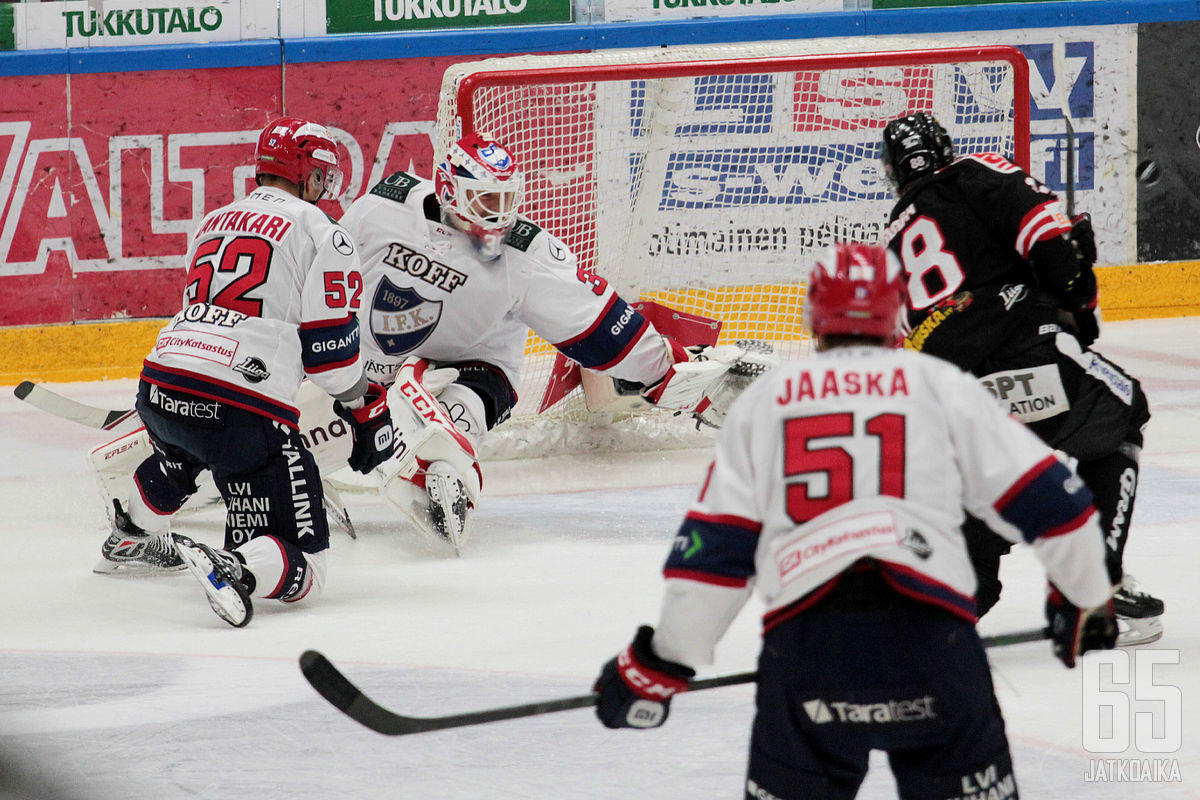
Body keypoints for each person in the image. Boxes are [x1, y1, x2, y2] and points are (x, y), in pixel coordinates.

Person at [592, 242, 1117, 800]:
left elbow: (716, 558)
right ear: (899, 315)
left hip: (811, 649)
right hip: (933, 645)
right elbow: (1057, 506)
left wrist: (658, 666)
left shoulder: (767, 403)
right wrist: (1085, 597)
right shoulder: (941, 385)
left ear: (814, 320)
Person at [331, 132, 777, 550]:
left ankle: (437, 470)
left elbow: (598, 322)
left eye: (506, 199)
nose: (499, 213)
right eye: (485, 199)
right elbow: (324, 277)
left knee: (458, 414)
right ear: (447, 189)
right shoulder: (383, 207)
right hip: (360, 368)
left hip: (471, 371)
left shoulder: (524, 253)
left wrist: (663, 374)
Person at [95, 117, 395, 627]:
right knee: (310, 570)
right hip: (239, 407)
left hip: (162, 384)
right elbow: (331, 362)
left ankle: (130, 535)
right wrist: (367, 402)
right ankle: (233, 564)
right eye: (320, 174)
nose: (324, 185)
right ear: (306, 174)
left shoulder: (213, 220)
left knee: (184, 454)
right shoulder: (324, 233)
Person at [878, 112, 1163, 645]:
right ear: (945, 148)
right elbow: (1047, 236)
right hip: (1025, 348)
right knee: (1124, 411)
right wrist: (1077, 298)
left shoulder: (891, 238)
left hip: (954, 400)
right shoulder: (974, 170)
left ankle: (910, 637)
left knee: (975, 562)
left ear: (894, 171)